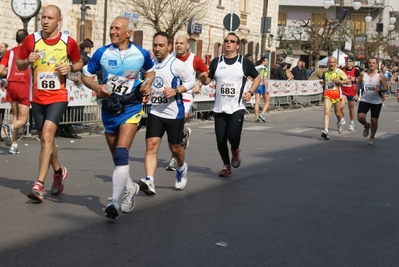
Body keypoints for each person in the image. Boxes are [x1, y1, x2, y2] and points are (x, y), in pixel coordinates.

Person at [81, 16, 155, 219]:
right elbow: (84, 75)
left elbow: (150, 71)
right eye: (111, 27)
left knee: (122, 152)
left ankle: (114, 201)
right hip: (109, 108)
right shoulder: (102, 53)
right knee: (116, 156)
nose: (112, 31)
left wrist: (147, 84)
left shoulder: (139, 54)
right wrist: (96, 86)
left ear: (128, 33)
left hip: (132, 106)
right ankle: (130, 187)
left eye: (117, 28)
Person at [16, 5, 83, 202]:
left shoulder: (67, 42)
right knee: (46, 140)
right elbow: (19, 63)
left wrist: (69, 67)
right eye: (43, 17)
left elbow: (79, 63)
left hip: (58, 97)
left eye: (50, 18)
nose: (45, 21)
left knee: (46, 135)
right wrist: (28, 60)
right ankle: (58, 171)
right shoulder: (32, 40)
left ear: (58, 21)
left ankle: (39, 185)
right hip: (37, 98)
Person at [137, 31, 196, 194]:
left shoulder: (176, 64)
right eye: (155, 45)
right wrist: (143, 92)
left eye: (161, 45)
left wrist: (176, 90)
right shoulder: (149, 64)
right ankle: (149, 180)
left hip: (174, 113)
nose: (157, 49)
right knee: (151, 145)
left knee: (175, 148)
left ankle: (182, 168)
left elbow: (191, 81)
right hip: (156, 111)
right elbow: (145, 82)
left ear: (169, 46)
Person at [199, 32, 260, 177]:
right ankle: (226, 165)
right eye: (226, 41)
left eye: (232, 41)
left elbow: (257, 77)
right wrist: (203, 79)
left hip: (237, 106)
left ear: (237, 45)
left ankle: (235, 150)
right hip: (219, 107)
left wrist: (250, 92)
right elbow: (208, 81)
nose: (228, 43)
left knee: (233, 136)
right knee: (220, 139)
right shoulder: (216, 61)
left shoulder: (243, 62)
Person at [165, 35, 208, 171]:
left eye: (181, 43)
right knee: (173, 126)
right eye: (176, 43)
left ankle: (173, 159)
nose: (178, 45)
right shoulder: (169, 56)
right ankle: (183, 134)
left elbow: (206, 72)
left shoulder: (194, 59)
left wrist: (199, 84)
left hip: (187, 94)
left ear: (187, 45)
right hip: (172, 94)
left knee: (181, 117)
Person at [0, 29, 30, 154]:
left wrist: (9, 72)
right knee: (23, 119)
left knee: (15, 116)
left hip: (11, 84)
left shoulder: (10, 52)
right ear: (27, 39)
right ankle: (8, 129)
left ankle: (14, 144)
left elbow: (1, 71)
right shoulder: (30, 52)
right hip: (24, 84)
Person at [356, 57, 388, 146]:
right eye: (370, 63)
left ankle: (372, 137)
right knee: (360, 117)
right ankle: (366, 125)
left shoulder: (380, 75)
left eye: (373, 63)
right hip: (365, 99)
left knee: (374, 121)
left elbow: (386, 87)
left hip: (376, 101)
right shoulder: (363, 74)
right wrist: (356, 94)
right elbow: (358, 83)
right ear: (368, 64)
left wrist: (380, 90)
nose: (371, 64)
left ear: (376, 64)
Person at [321, 56, 348, 140]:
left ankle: (340, 122)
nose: (332, 64)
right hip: (327, 94)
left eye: (333, 62)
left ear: (336, 63)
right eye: (330, 62)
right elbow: (326, 81)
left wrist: (339, 81)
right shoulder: (325, 71)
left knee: (337, 113)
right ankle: (326, 131)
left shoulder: (338, 71)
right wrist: (323, 82)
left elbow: (347, 80)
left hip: (336, 95)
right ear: (327, 63)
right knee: (326, 112)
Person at [340, 56, 360, 131]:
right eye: (347, 61)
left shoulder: (355, 71)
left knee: (351, 109)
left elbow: (360, 81)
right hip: (343, 91)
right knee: (341, 106)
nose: (348, 62)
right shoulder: (342, 70)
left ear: (352, 63)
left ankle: (351, 123)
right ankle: (342, 119)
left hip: (352, 92)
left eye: (350, 61)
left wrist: (354, 79)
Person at [254, 57, 269, 123]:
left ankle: (256, 118)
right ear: (263, 61)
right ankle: (262, 114)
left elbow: (252, 77)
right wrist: (266, 88)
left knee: (257, 102)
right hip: (262, 85)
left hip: (256, 85)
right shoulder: (264, 68)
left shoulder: (256, 68)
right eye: (266, 61)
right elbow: (264, 79)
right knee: (267, 101)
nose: (267, 62)